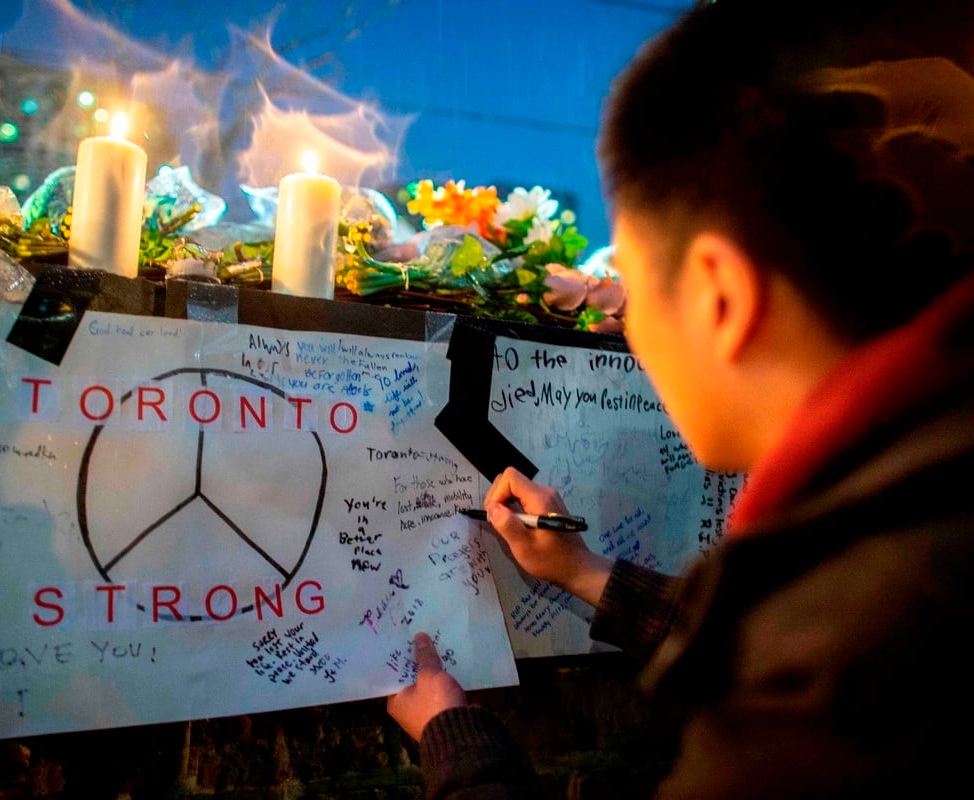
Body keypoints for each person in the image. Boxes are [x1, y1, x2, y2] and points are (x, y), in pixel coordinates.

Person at [387, 0, 974, 797]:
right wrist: (587, 573)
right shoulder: (919, 503)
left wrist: (459, 744)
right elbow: (751, 635)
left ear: (719, 296)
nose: (626, 325)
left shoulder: (841, 683)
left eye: (631, 284)